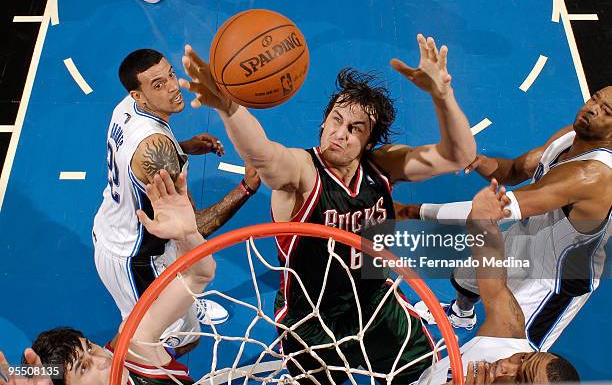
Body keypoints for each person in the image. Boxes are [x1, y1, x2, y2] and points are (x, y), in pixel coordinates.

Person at [179, 34, 477, 383]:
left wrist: (443, 95)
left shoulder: (382, 166)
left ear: (369, 141)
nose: (340, 133)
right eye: (336, 120)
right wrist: (229, 107)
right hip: (312, 319)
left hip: (375, 304)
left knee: (430, 373)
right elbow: (264, 156)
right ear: (323, 122)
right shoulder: (302, 171)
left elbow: (460, 155)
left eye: (355, 129)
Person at [398, 87, 612, 351]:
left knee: (504, 356)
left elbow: (490, 212)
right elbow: (514, 170)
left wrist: (410, 211)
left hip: (552, 279)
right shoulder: (571, 135)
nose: (592, 108)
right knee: (467, 279)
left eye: (606, 111)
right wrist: (479, 161)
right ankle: (461, 314)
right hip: (529, 234)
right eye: (595, 99)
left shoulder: (593, 175)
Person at [92, 48, 261, 355]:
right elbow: (191, 228)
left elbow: (139, 159)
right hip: (135, 257)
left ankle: (182, 308)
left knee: (171, 315)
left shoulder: (126, 107)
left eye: (170, 74)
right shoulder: (155, 148)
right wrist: (246, 187)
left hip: (115, 224)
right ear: (139, 95)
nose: (172, 86)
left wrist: (183, 149)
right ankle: (111, 365)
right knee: (153, 347)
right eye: (158, 84)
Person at [11, 170, 209, 385]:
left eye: (89, 347)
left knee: (188, 338)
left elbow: (198, 274)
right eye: (84, 367)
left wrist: (186, 234)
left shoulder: (135, 344)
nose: (102, 360)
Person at [416, 179, 580, 384]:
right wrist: (483, 223)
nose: (506, 365)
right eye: (522, 358)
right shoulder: (508, 334)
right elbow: (494, 281)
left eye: (519, 378)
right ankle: (461, 315)